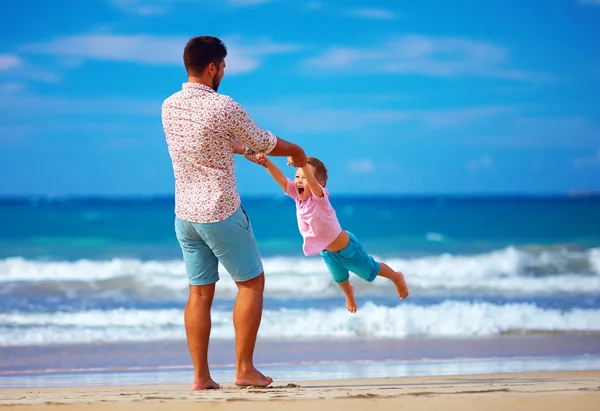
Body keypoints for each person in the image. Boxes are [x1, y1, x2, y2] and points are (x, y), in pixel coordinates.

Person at [161, 35, 307, 390]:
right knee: (251, 283)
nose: (224, 72)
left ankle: (201, 378)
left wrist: (241, 151)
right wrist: (299, 153)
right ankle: (244, 370)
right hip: (220, 210)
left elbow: (209, 139)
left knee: (199, 293)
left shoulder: (169, 106)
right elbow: (267, 142)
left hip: (185, 215)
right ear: (212, 68)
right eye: (223, 67)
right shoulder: (222, 106)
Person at [247, 154, 409, 313]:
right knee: (339, 278)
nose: (299, 181)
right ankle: (349, 294)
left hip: (347, 249)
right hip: (327, 252)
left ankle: (396, 277)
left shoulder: (320, 197)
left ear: (320, 184)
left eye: (305, 177)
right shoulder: (297, 197)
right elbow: (281, 178)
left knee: (369, 271)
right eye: (297, 176)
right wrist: (266, 162)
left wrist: (301, 161)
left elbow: (311, 180)